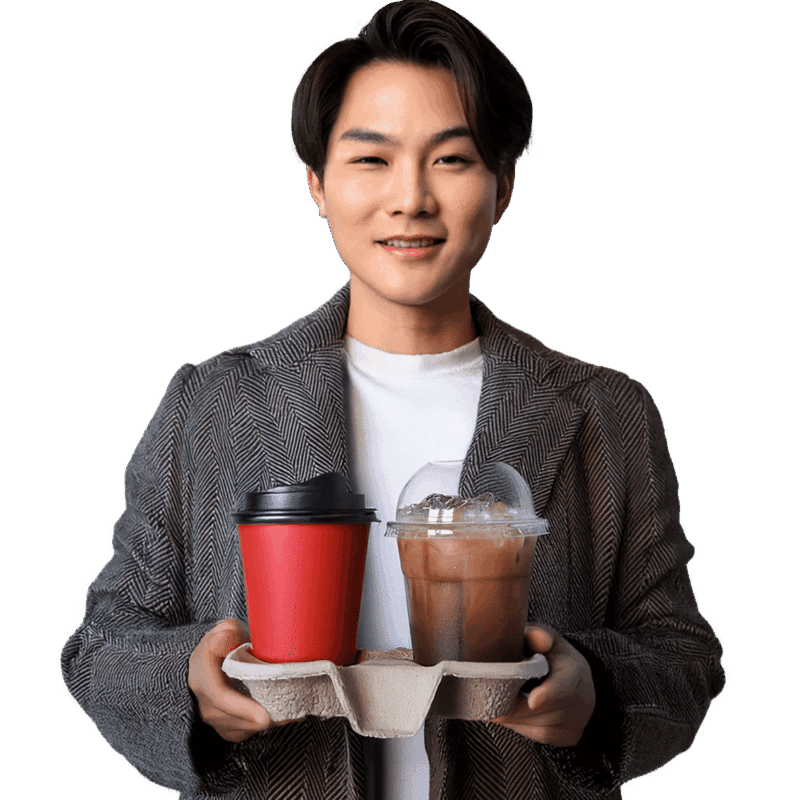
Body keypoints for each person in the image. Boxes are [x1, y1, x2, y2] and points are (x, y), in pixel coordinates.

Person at [58, 1, 726, 798]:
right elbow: (101, 645)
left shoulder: (605, 415)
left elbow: (682, 658)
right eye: (370, 161)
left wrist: (596, 695)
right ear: (317, 184)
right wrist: (192, 684)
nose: (410, 199)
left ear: (503, 187)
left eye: (451, 159)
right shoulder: (213, 405)